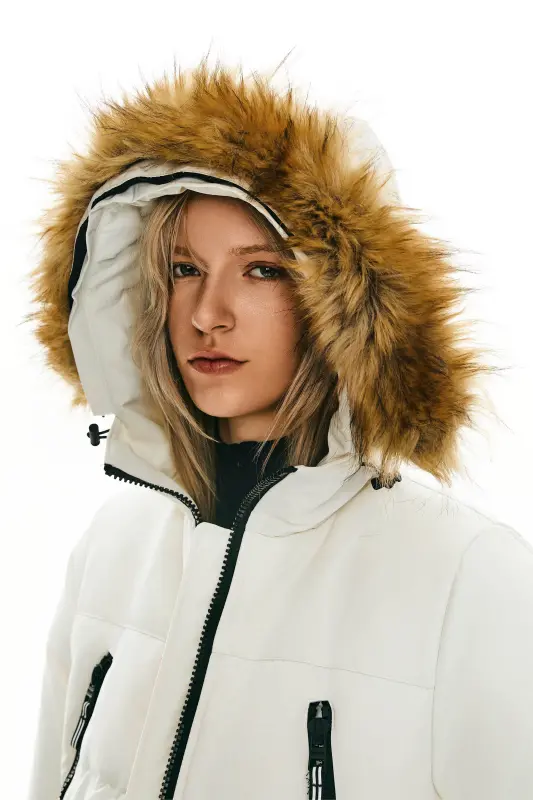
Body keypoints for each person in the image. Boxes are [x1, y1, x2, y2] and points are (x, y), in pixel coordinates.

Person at [24, 57, 533, 800]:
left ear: (340, 302)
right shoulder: (114, 546)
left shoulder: (465, 572)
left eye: (261, 270)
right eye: (185, 269)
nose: (208, 314)